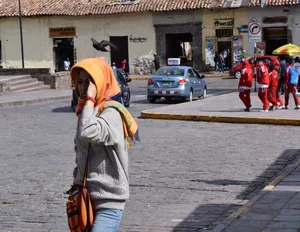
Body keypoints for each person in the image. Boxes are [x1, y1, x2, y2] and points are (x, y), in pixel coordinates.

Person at [70, 57, 138, 232]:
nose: (84, 88)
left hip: (109, 200)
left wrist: (91, 99)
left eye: (90, 82)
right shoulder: (87, 111)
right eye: (80, 82)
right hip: (86, 198)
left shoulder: (111, 113)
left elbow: (87, 132)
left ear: (100, 83)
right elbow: (83, 144)